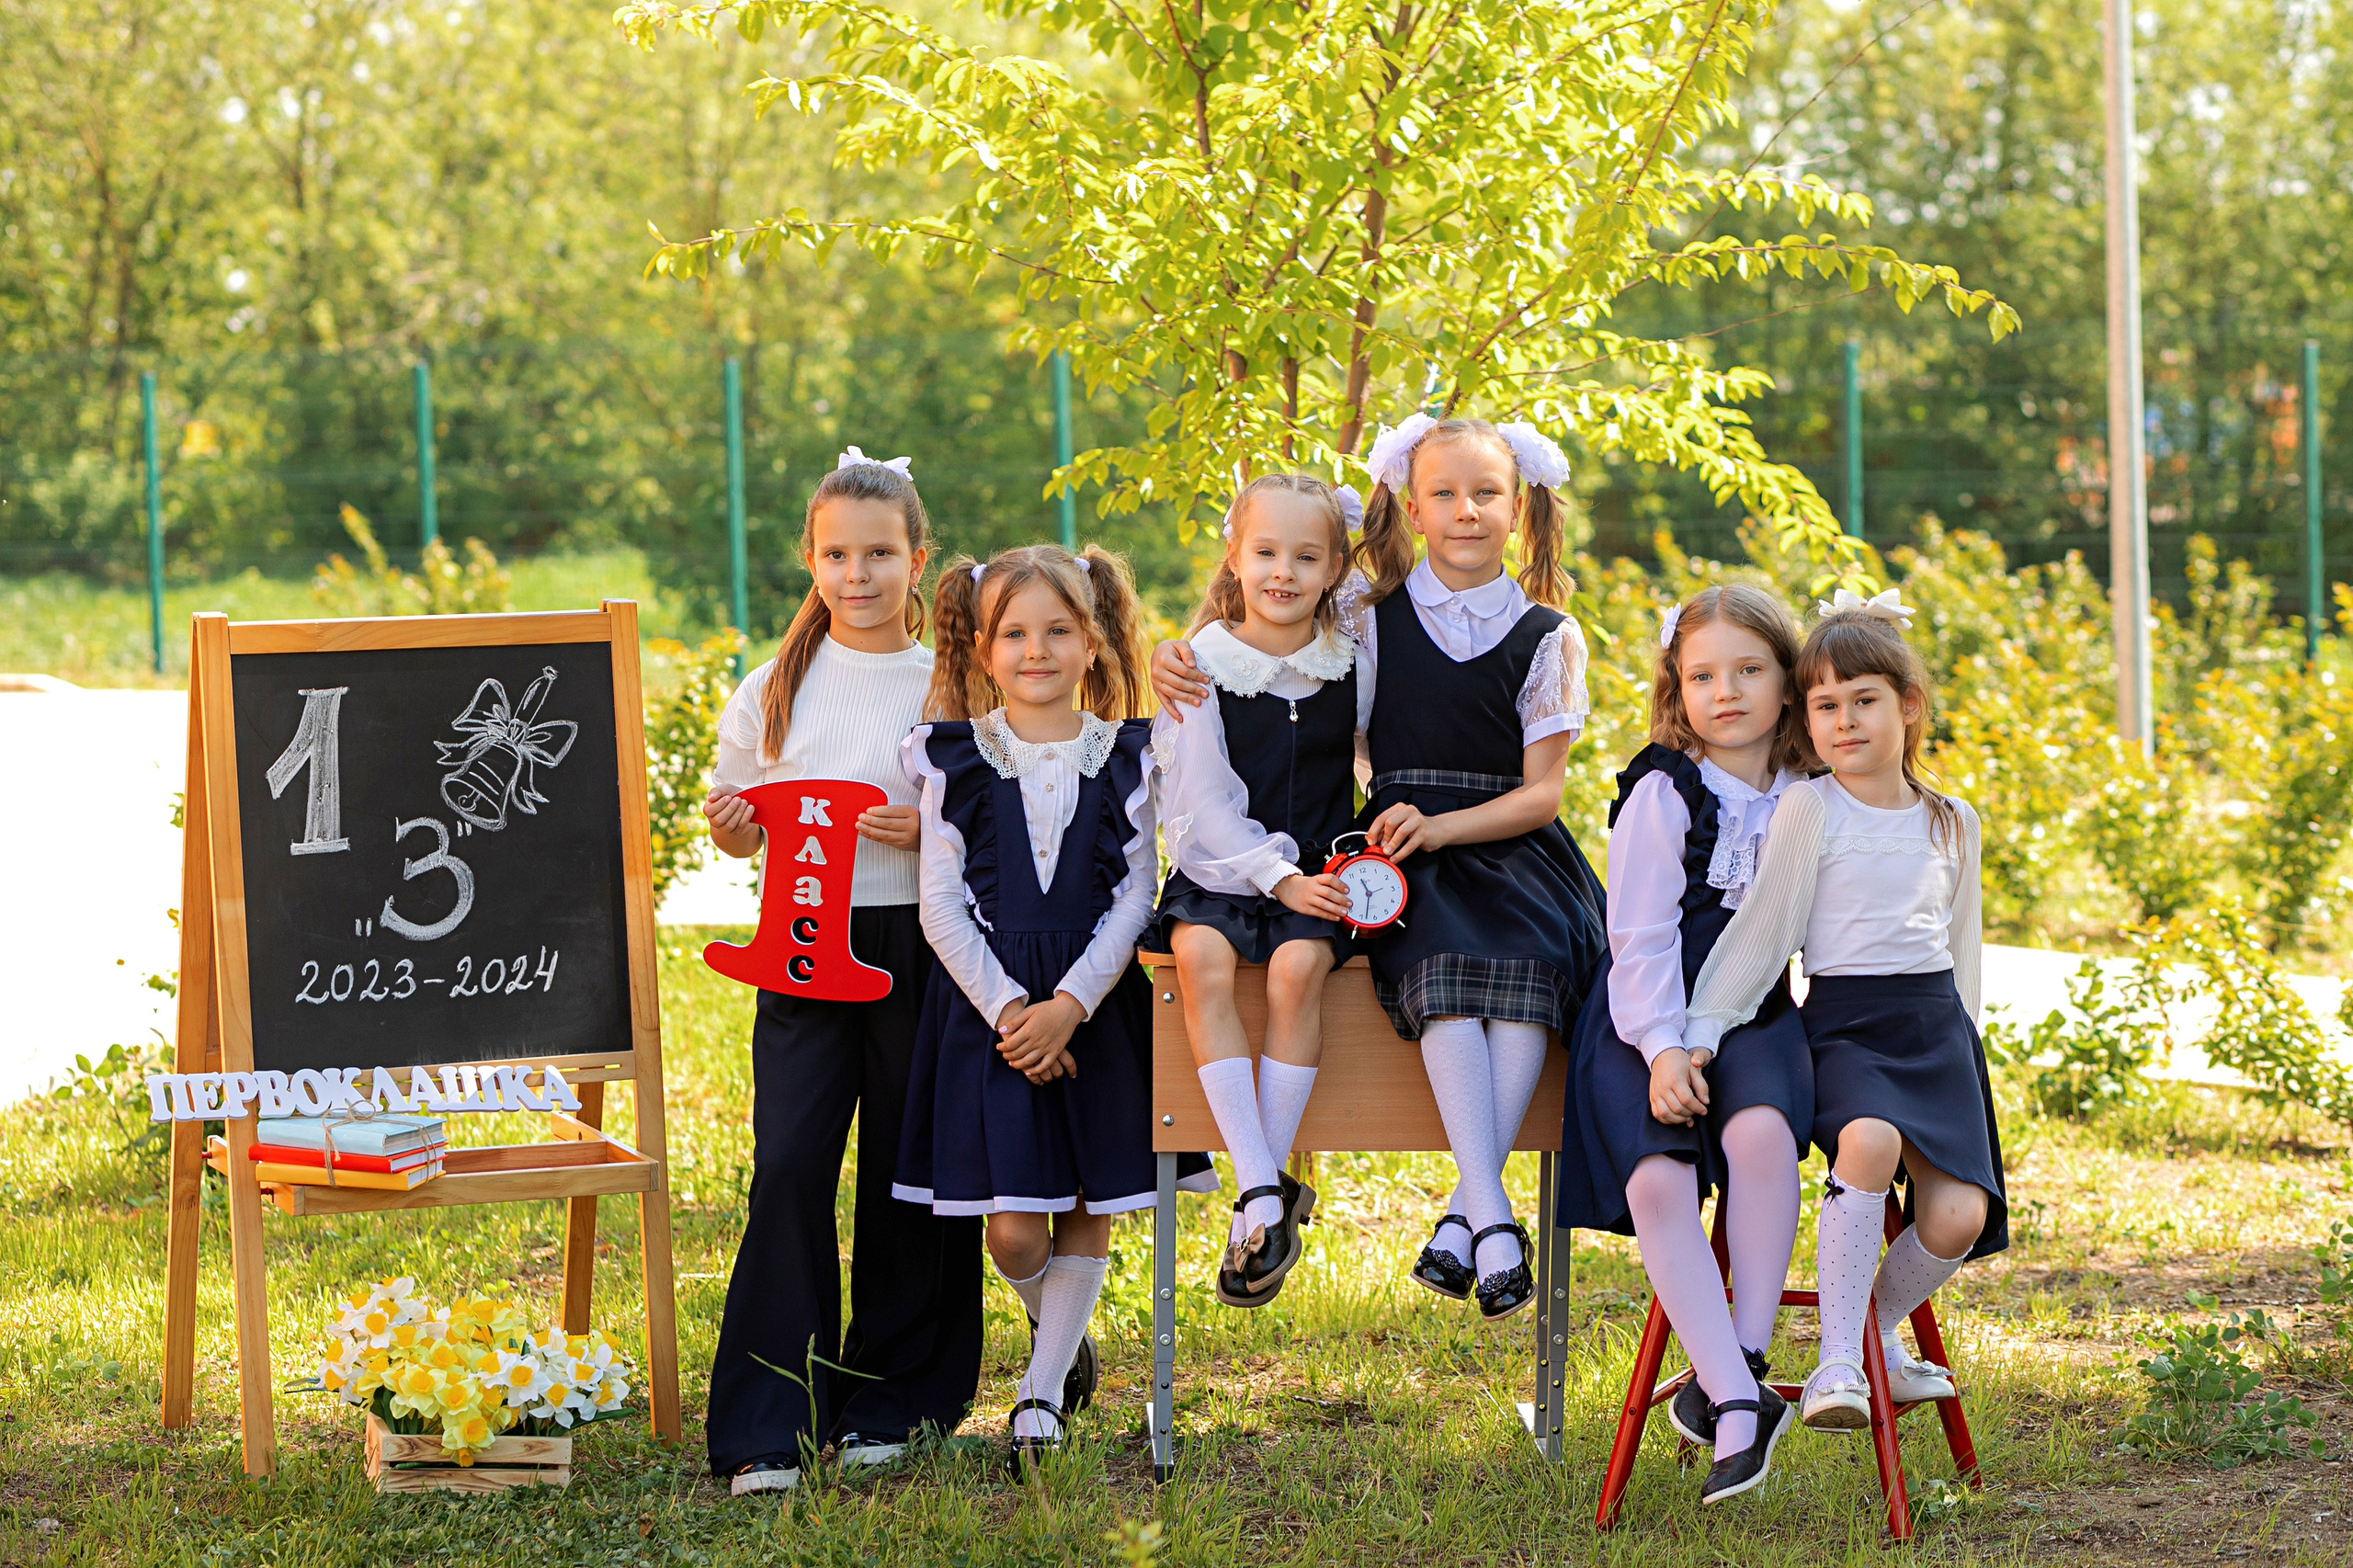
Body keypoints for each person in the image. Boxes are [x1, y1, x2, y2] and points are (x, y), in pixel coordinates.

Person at [1154, 415, 1606, 1324]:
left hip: (1506, 851)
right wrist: (1174, 649)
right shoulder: (1367, 611)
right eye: (1443, 493)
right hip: (1399, 851)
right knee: (1440, 974)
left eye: (1485, 494)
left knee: (1524, 979)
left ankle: (1471, 1211)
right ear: (1409, 502)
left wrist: (1441, 826)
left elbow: (1541, 794)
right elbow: (1266, 637)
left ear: (1518, 508)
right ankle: (1484, 1217)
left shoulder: (1550, 634)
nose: (1465, 511)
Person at [895, 541, 1213, 1474]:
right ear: (984, 646)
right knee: (1014, 1226)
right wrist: (1012, 1011)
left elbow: (1134, 891)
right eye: (1015, 633)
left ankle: (1037, 1394)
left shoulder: (1130, 753)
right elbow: (939, 904)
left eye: (1058, 631)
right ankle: (1059, 1339)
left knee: (1087, 1197)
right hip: (991, 1016)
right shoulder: (951, 754)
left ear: (1091, 639)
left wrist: (1071, 1003)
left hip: (1095, 1007)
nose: (1037, 650)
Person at [700, 448, 982, 1497]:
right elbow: (737, 830)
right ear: (810, 559)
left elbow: (994, 816)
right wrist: (732, 826)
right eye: (834, 553)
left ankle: (895, 1396)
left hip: (922, 945)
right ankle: (772, 1413)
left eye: (878, 553)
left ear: (917, 559)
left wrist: (933, 825)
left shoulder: (954, 681)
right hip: (806, 948)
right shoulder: (774, 687)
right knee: (789, 1166)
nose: (855, 572)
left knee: (908, 1170)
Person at [1681, 591, 2005, 1433]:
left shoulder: (1953, 821)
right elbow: (1764, 933)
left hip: (1935, 1030)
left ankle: (1876, 1338)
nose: (1845, 721)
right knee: (1868, 1141)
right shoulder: (1809, 808)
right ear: (1807, 718)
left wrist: (1968, 1051)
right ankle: (1835, 1364)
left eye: (1865, 700)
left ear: (1908, 706)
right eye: (1826, 705)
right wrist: (1703, 1029)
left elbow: (1962, 952)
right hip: (1848, 1026)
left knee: (1958, 1213)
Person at [1555, 585, 1813, 1505]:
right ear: (1677, 686)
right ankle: (1741, 1399)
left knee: (1760, 1136)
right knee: (1659, 1176)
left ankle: (1738, 1361)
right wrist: (1664, 1049)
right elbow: (1641, 939)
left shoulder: (1811, 793)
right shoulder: (1664, 790)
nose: (1727, 691)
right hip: (1643, 1010)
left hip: (1755, 1011)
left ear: (1788, 682)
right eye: (1703, 674)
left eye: (1749, 670)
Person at [1153, 474, 1367, 1308]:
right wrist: (1275, 875)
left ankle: (1259, 1200)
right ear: (1235, 557)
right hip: (1222, 865)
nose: (1283, 571)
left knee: (1294, 972)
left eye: (1305, 556)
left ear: (1334, 566)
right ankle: (1263, 1185)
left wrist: (1341, 869)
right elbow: (1203, 804)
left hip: (1321, 874)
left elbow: (1373, 757)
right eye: (1266, 552)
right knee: (1199, 955)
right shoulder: (1201, 660)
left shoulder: (1350, 658)